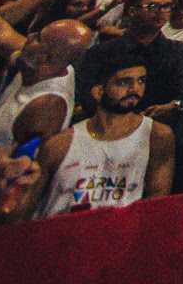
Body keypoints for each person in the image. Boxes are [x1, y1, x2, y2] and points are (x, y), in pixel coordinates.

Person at [22, 48, 175, 218]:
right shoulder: (60, 145)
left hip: (120, 237)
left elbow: (156, 202)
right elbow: (24, 209)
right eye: (124, 82)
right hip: (63, 237)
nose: (135, 88)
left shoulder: (157, 135)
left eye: (141, 81)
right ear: (98, 92)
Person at [78, 0, 183, 123]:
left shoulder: (177, 51)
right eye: (153, 7)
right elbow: (86, 95)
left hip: (154, 128)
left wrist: (175, 105)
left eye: (167, 7)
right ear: (132, 11)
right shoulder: (103, 51)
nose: (161, 12)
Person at [0, 19, 91, 151]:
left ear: (43, 57)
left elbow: (20, 162)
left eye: (38, 38)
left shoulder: (46, 109)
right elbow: (0, 32)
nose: (30, 36)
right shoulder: (48, 63)